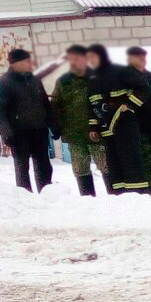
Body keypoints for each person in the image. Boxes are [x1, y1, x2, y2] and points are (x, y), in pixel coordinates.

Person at [83, 44, 151, 195]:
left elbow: (143, 88)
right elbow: (92, 103)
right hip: (106, 127)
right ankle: (119, 194)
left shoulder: (121, 71)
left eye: (93, 57)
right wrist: (93, 127)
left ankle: (137, 192)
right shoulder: (92, 79)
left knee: (130, 157)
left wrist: (128, 105)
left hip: (125, 124)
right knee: (113, 162)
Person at [51, 45, 104, 196]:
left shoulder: (97, 77)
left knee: (106, 167)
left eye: (77, 58)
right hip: (75, 135)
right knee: (80, 169)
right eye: (71, 59)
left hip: (98, 133)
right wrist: (58, 129)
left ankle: (114, 199)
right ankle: (88, 200)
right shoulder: (63, 82)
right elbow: (56, 106)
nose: (74, 62)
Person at [0, 48, 54, 192]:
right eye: (27, 60)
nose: (31, 63)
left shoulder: (35, 79)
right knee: (22, 168)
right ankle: (27, 200)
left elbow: (45, 104)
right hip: (19, 134)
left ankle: (47, 195)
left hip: (39, 130)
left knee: (44, 167)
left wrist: (53, 125)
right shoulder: (4, 82)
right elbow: (1, 111)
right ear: (15, 63)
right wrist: (7, 134)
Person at [126, 46, 151, 193]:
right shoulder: (127, 76)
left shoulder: (148, 75)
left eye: (144, 57)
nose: (143, 60)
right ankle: (145, 190)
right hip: (138, 126)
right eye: (139, 57)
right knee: (144, 158)